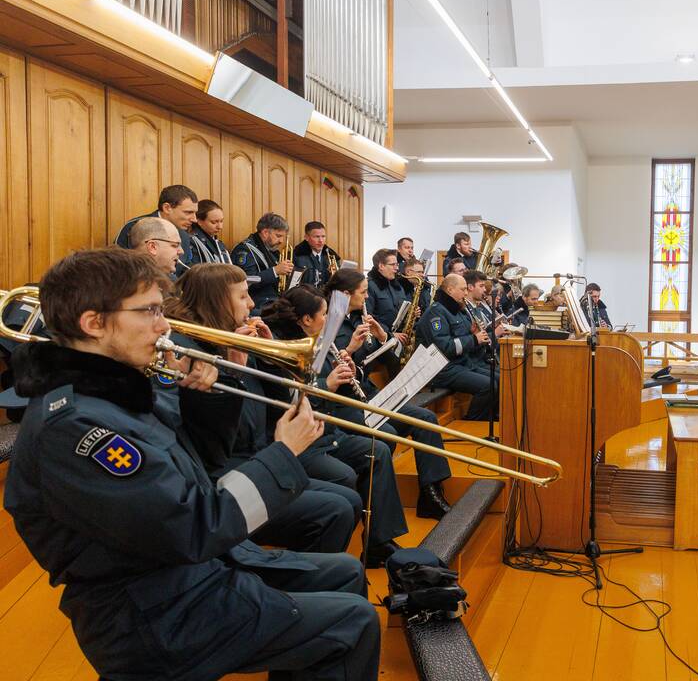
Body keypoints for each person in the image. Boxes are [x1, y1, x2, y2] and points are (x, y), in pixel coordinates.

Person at [3, 247, 379, 680]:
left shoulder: (110, 392)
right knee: (352, 622)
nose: (164, 326)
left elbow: (202, 463)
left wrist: (207, 398)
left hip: (187, 577)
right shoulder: (77, 428)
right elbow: (195, 526)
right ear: (93, 323)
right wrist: (284, 452)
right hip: (153, 616)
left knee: (346, 574)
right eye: (148, 312)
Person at [162, 264, 362, 554]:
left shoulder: (238, 336)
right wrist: (238, 371)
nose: (253, 303)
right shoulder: (189, 351)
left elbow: (278, 407)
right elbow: (222, 437)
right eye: (243, 297)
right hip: (224, 471)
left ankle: (317, 576)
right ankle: (305, 579)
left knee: (349, 500)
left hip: (256, 454)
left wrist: (271, 358)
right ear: (217, 300)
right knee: (335, 509)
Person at [262, 285, 409, 565]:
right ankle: (327, 558)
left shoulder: (317, 339)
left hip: (326, 431)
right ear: (306, 319)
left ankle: (379, 542)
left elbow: (329, 385)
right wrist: (326, 383)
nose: (329, 320)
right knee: (344, 476)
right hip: (302, 440)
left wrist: (347, 366)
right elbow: (286, 399)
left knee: (377, 449)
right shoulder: (285, 346)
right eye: (324, 314)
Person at [325, 269, 454, 519]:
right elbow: (330, 371)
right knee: (387, 435)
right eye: (362, 293)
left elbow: (390, 360)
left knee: (426, 420)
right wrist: (350, 349)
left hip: (369, 393)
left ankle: (431, 494)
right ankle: (376, 507)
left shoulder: (357, 317)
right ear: (343, 294)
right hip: (345, 402)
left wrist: (383, 336)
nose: (366, 297)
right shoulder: (330, 323)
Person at [416, 274, 497, 421]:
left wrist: (475, 334)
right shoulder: (436, 312)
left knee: (498, 378)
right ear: (450, 290)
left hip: (461, 363)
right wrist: (474, 339)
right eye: (463, 289)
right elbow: (444, 347)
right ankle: (473, 422)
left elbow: (464, 336)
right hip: (442, 369)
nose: (466, 293)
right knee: (488, 385)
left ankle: (492, 417)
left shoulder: (457, 309)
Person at [115, 184, 197, 275]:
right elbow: (121, 267)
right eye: (188, 212)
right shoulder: (134, 227)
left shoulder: (184, 234)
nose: (194, 219)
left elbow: (184, 269)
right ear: (167, 208)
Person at [233, 212, 293, 312]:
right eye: (278, 236)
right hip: (257, 303)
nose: (281, 241)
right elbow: (247, 281)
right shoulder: (245, 250)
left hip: (272, 300)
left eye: (283, 237)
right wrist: (275, 271)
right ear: (265, 233)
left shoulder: (271, 249)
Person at [365, 248, 409, 348]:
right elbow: (368, 317)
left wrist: (411, 313)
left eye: (397, 264)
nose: (397, 268)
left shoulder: (397, 286)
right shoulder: (369, 285)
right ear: (381, 266)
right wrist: (390, 334)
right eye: (393, 264)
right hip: (381, 342)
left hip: (399, 339)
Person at [294, 221, 342, 288]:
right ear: (306, 237)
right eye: (316, 237)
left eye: (323, 236)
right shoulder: (297, 255)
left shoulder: (332, 256)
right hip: (305, 296)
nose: (321, 240)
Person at [189, 199, 231, 265]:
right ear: (199, 221)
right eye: (214, 222)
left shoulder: (218, 243)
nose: (220, 227)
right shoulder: (192, 242)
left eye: (221, 221)